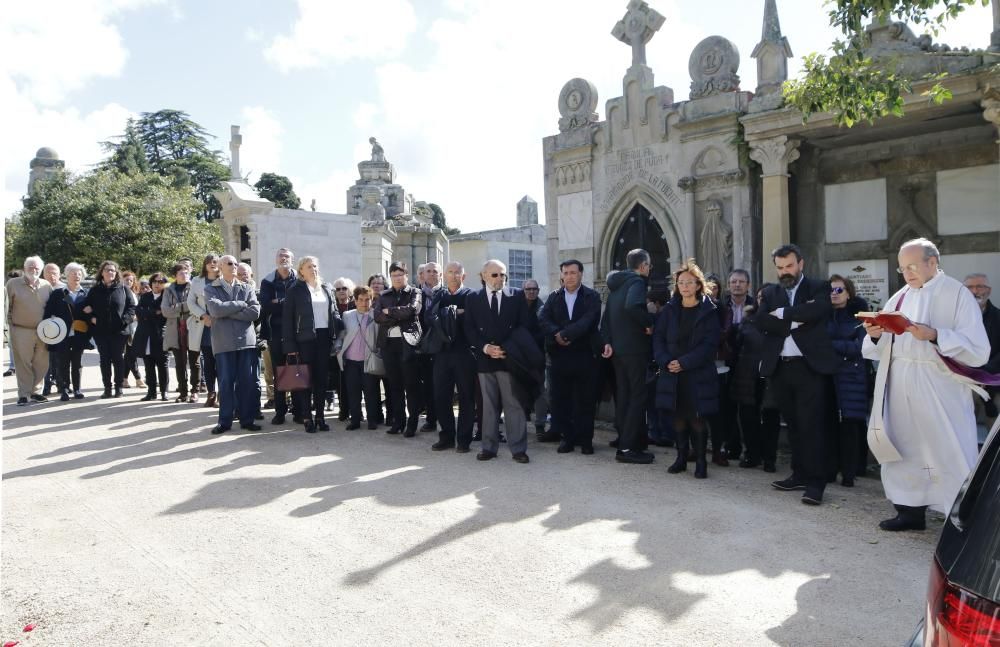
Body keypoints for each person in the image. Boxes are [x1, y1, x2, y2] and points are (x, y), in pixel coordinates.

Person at [862, 239, 990, 530]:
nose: (906, 273)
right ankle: (909, 511)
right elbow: (879, 347)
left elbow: (978, 350)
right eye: (902, 267)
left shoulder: (957, 294)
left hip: (939, 384)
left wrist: (935, 335)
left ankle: (959, 518)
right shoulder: (901, 297)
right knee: (905, 446)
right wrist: (875, 334)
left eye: (912, 266)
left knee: (948, 446)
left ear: (932, 262)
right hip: (901, 382)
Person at [754, 244, 839, 506]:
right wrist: (797, 319)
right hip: (780, 367)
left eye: (789, 266)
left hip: (809, 368)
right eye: (780, 268)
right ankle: (799, 474)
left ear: (800, 263)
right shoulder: (770, 292)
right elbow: (761, 321)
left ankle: (816, 483)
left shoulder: (819, 287)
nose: (784, 272)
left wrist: (782, 314)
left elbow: (818, 311)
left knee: (811, 425)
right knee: (792, 424)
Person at [653, 260, 721, 479]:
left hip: (697, 373)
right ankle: (681, 458)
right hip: (672, 373)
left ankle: (701, 462)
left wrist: (684, 362)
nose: (684, 286)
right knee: (678, 417)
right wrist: (666, 361)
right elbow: (658, 339)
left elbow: (709, 346)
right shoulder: (669, 310)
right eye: (681, 282)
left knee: (697, 419)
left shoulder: (709, 311)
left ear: (698, 285)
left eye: (689, 282)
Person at [463, 259, 535, 463]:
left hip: (509, 359)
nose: (500, 278)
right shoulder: (473, 298)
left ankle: (518, 449)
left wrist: (506, 348)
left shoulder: (517, 296)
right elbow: (469, 328)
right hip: (485, 361)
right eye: (495, 275)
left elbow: (523, 326)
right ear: (484, 276)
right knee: (488, 406)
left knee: (514, 404)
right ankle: (488, 447)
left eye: (503, 274)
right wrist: (486, 348)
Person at [538, 261, 602, 455]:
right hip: (560, 357)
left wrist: (565, 335)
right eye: (566, 273)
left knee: (586, 401)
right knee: (561, 401)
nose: (569, 276)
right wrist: (557, 333)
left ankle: (586, 441)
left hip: (585, 356)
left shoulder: (592, 296)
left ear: (581, 274)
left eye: (573, 272)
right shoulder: (554, 297)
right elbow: (543, 318)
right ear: (562, 275)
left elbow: (588, 321)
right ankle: (567, 439)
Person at [600, 249, 656, 464]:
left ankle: (629, 440)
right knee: (638, 397)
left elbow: (606, 318)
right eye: (649, 265)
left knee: (624, 397)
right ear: (643, 266)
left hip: (617, 351)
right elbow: (632, 306)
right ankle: (627, 448)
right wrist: (648, 322)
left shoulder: (615, 284)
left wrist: (607, 342)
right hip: (634, 349)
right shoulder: (638, 282)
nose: (649, 269)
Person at [282, 256, 342, 433]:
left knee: (322, 380)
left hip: (324, 337)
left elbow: (334, 311)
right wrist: (290, 346)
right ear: (301, 270)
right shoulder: (295, 290)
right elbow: (288, 320)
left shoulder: (326, 288)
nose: (313, 269)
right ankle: (307, 417)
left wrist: (339, 325)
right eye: (309, 266)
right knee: (305, 380)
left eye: (315, 266)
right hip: (304, 339)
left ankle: (320, 417)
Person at [204, 255, 262, 435]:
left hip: (246, 342)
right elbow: (215, 310)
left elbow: (254, 312)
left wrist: (227, 311)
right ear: (220, 267)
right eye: (230, 263)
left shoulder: (247, 287)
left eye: (236, 263)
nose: (234, 266)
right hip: (223, 342)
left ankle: (247, 419)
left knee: (246, 382)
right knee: (226, 382)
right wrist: (239, 305)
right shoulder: (210, 288)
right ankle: (225, 421)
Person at [427, 261, 477, 453]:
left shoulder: (471, 296)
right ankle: (446, 437)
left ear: (463, 276)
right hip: (442, 353)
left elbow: (472, 318)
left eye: (458, 272)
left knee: (466, 397)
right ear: (444, 275)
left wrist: (446, 315)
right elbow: (430, 318)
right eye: (450, 272)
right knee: (441, 396)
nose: (454, 275)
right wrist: (457, 313)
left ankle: (464, 440)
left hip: (465, 352)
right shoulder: (439, 295)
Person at [729, 285, 778, 472]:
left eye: (766, 297)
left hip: (771, 375)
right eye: (759, 297)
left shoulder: (782, 320)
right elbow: (738, 345)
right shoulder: (748, 319)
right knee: (747, 416)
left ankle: (769, 458)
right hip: (747, 375)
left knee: (770, 417)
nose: (762, 300)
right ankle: (752, 454)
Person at [825, 274, 868, 487]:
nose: (834, 293)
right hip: (827, 377)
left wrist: (832, 345)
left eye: (839, 290)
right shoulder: (824, 317)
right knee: (829, 426)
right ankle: (830, 470)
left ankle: (849, 473)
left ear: (848, 293)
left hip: (851, 378)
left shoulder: (859, 320)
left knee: (850, 427)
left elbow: (859, 349)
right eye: (831, 289)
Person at [373, 261, 422, 436]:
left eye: (400, 275)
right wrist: (396, 315)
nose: (397, 278)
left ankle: (412, 424)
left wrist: (390, 312)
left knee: (411, 385)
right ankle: (398, 422)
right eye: (394, 275)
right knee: (394, 386)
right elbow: (378, 316)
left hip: (407, 344)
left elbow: (411, 311)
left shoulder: (415, 292)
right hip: (388, 345)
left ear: (406, 276)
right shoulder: (383, 295)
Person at [717, 269, 755, 464]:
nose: (737, 285)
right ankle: (732, 447)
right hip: (727, 361)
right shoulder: (721, 306)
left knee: (749, 409)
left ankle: (752, 451)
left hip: (749, 362)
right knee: (726, 406)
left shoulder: (756, 305)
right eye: (733, 282)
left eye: (741, 281)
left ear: (748, 285)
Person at [83, 260, 136, 398]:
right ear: (102, 273)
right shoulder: (95, 290)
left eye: (112, 270)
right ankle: (107, 387)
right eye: (107, 270)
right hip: (100, 331)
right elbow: (86, 308)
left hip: (119, 331)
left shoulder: (124, 289)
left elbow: (131, 308)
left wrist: (124, 321)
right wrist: (92, 318)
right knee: (104, 359)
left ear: (116, 273)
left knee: (118, 358)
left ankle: (119, 387)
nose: (110, 272)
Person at [6, 257, 54, 405]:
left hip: (43, 331)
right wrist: (9, 329)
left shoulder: (46, 286)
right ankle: (24, 394)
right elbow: (7, 307)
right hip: (21, 329)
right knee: (23, 363)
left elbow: (51, 308)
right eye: (31, 267)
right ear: (25, 267)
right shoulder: (13, 284)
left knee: (42, 363)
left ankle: (35, 392)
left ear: (41, 269)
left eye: (37, 268)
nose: (34, 270)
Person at [260, 248, 298, 424]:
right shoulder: (267, 282)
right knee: (278, 372)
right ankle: (280, 411)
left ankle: (299, 410)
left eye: (287, 256)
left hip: (296, 333)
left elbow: (300, 305)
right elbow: (267, 306)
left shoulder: (299, 280)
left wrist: (279, 302)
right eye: (281, 256)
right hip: (275, 333)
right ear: (276, 260)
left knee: (297, 371)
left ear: (292, 259)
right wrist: (287, 303)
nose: (284, 259)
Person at [42, 262, 90, 400]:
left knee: (77, 363)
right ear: (66, 276)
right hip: (61, 333)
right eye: (73, 273)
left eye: (79, 274)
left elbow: (91, 314)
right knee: (62, 363)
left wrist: (90, 311)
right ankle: (63, 389)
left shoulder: (85, 293)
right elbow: (48, 313)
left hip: (79, 334)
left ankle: (77, 389)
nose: (77, 276)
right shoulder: (59, 293)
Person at [337, 285, 382, 430]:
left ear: (371, 300)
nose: (364, 303)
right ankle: (355, 420)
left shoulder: (376, 315)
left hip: (368, 361)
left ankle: (372, 420)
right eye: (361, 300)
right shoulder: (347, 315)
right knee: (353, 392)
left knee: (371, 392)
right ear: (355, 301)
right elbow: (342, 336)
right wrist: (338, 350)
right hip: (351, 361)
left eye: (367, 299)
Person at [162, 263, 200, 403]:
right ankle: (182, 392)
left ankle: (194, 391)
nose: (184, 275)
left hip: (192, 327)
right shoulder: (168, 290)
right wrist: (184, 306)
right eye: (181, 273)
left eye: (186, 272)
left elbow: (195, 306)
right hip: (175, 329)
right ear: (175, 275)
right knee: (179, 363)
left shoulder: (194, 287)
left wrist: (176, 307)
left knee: (194, 361)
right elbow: (165, 311)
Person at [964, 273, 1000, 419]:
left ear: (989, 290)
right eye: (970, 287)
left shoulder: (998, 317)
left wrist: (984, 373)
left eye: (980, 286)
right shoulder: (953, 319)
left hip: (993, 381)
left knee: (994, 428)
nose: (975, 291)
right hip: (964, 382)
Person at [188, 254, 220, 407]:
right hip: (204, 326)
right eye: (209, 262)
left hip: (222, 326)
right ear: (204, 265)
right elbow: (190, 302)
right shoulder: (197, 280)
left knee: (222, 362)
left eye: (215, 262)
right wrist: (203, 316)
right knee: (208, 362)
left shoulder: (223, 279)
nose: (212, 264)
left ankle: (222, 393)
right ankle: (211, 393)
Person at [523, 278, 552, 441]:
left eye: (534, 289)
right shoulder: (516, 308)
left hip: (538, 356)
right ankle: (519, 423)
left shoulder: (544, 308)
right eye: (528, 289)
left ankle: (540, 424)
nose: (531, 292)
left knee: (540, 391)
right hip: (519, 356)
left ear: (538, 291)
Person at [134, 272, 170, 401]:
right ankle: (151, 392)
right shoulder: (145, 296)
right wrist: (154, 312)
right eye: (154, 282)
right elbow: (138, 311)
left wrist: (148, 313)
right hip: (145, 335)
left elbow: (165, 315)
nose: (157, 284)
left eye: (160, 282)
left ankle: (164, 391)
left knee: (162, 364)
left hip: (161, 335)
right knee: (148, 365)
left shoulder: (167, 296)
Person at [417, 262, 442, 432]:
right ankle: (431, 419)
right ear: (423, 275)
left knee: (443, 385)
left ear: (440, 275)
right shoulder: (417, 295)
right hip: (423, 347)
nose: (432, 274)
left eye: (435, 271)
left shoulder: (446, 293)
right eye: (428, 271)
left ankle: (445, 420)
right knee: (428, 385)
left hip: (443, 347)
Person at [331, 277, 356, 419]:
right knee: (339, 381)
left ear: (350, 290)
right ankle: (343, 409)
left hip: (353, 347)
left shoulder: (355, 305)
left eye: (344, 288)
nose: (341, 291)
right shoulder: (332, 306)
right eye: (338, 289)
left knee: (353, 381)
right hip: (336, 349)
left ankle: (354, 410)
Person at [367, 273, 390, 426]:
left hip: (387, 346)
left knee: (389, 384)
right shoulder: (364, 302)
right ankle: (376, 416)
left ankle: (391, 415)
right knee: (372, 386)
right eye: (373, 283)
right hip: (369, 349)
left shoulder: (388, 300)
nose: (376, 286)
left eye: (379, 283)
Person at [40, 262, 64, 395]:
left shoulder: (65, 288)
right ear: (43, 274)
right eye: (48, 272)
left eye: (54, 272)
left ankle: (62, 384)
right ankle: (47, 386)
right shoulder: (40, 288)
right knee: (46, 359)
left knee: (61, 358)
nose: (51, 275)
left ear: (59, 274)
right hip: (44, 329)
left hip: (62, 329)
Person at [120, 271, 145, 389]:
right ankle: (138, 378)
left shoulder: (135, 293)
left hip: (135, 328)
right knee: (131, 354)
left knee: (129, 355)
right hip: (126, 327)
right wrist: (133, 317)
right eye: (126, 280)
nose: (129, 282)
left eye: (131, 280)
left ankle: (124, 379)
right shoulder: (120, 292)